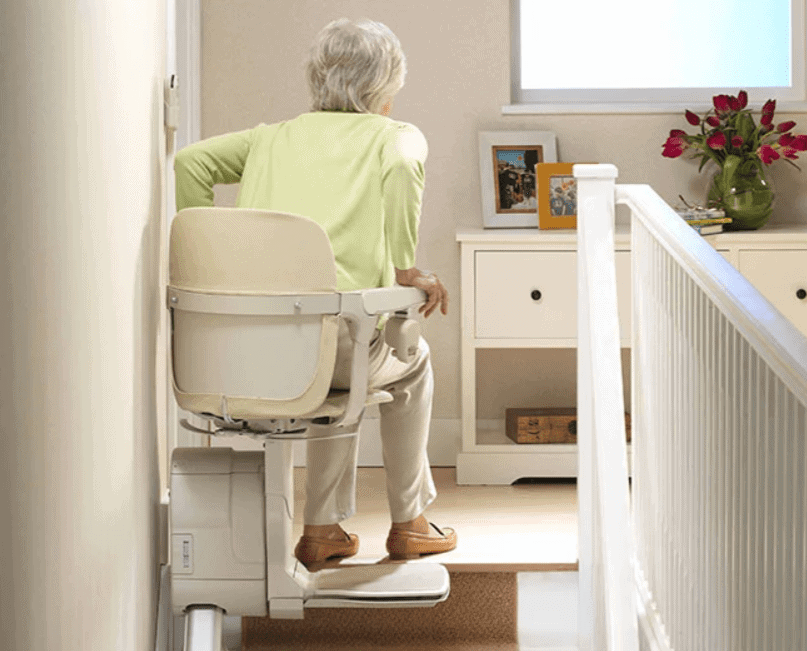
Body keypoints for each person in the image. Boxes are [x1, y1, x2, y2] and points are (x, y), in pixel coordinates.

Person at [174, 18, 456, 567]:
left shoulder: (269, 138)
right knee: (405, 359)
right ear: (387, 82)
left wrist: (205, 258)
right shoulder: (395, 137)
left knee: (335, 355)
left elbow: (191, 162)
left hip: (249, 349)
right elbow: (402, 167)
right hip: (337, 351)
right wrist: (405, 269)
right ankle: (410, 521)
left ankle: (324, 531)